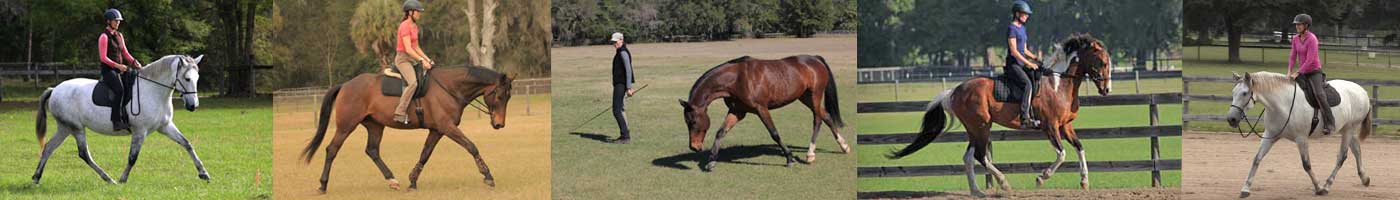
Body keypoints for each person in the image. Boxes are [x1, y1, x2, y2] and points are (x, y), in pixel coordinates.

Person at [1288, 13, 1333, 134]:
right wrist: (1289, 72)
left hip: (1314, 72)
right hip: (1301, 71)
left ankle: (1330, 122)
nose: (1297, 26)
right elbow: (1292, 56)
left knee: (1319, 94)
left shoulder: (1312, 39)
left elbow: (1310, 60)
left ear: (1306, 25)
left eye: (1299, 24)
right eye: (1296, 24)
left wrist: (1297, 72)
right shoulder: (1295, 39)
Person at [98, 8, 142, 131]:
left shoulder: (119, 35)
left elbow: (125, 53)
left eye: (118, 21)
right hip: (108, 71)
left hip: (120, 70)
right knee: (120, 90)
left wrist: (134, 61)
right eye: (115, 20)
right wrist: (118, 66)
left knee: (131, 85)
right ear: (108, 21)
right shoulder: (104, 37)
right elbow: (103, 58)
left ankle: (127, 116)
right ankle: (116, 121)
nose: (118, 22)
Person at [393, 0, 434, 124]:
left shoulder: (414, 26)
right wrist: (422, 60)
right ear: (410, 12)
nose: (419, 14)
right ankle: (399, 113)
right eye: (418, 12)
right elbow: (408, 49)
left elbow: (416, 47)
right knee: (413, 83)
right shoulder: (404, 26)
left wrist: (428, 59)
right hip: (403, 59)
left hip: (412, 58)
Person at [1005, 0, 1041, 129]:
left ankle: (1035, 113)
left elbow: (1024, 50)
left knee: (1036, 79)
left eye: (1027, 14)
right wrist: (1029, 64)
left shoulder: (1022, 29)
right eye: (1024, 14)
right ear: (1017, 14)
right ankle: (1024, 117)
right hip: (1013, 65)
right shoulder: (1012, 28)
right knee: (1027, 85)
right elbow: (1014, 51)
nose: (1027, 16)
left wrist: (1036, 58)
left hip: (1021, 64)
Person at [608, 32, 636, 144]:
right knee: (620, 109)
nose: (614, 44)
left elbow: (628, 70)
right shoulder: (619, 51)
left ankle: (625, 136)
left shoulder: (623, 52)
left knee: (616, 110)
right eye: (613, 42)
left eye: (615, 42)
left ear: (621, 40)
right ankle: (624, 134)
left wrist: (629, 88)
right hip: (619, 84)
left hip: (621, 84)